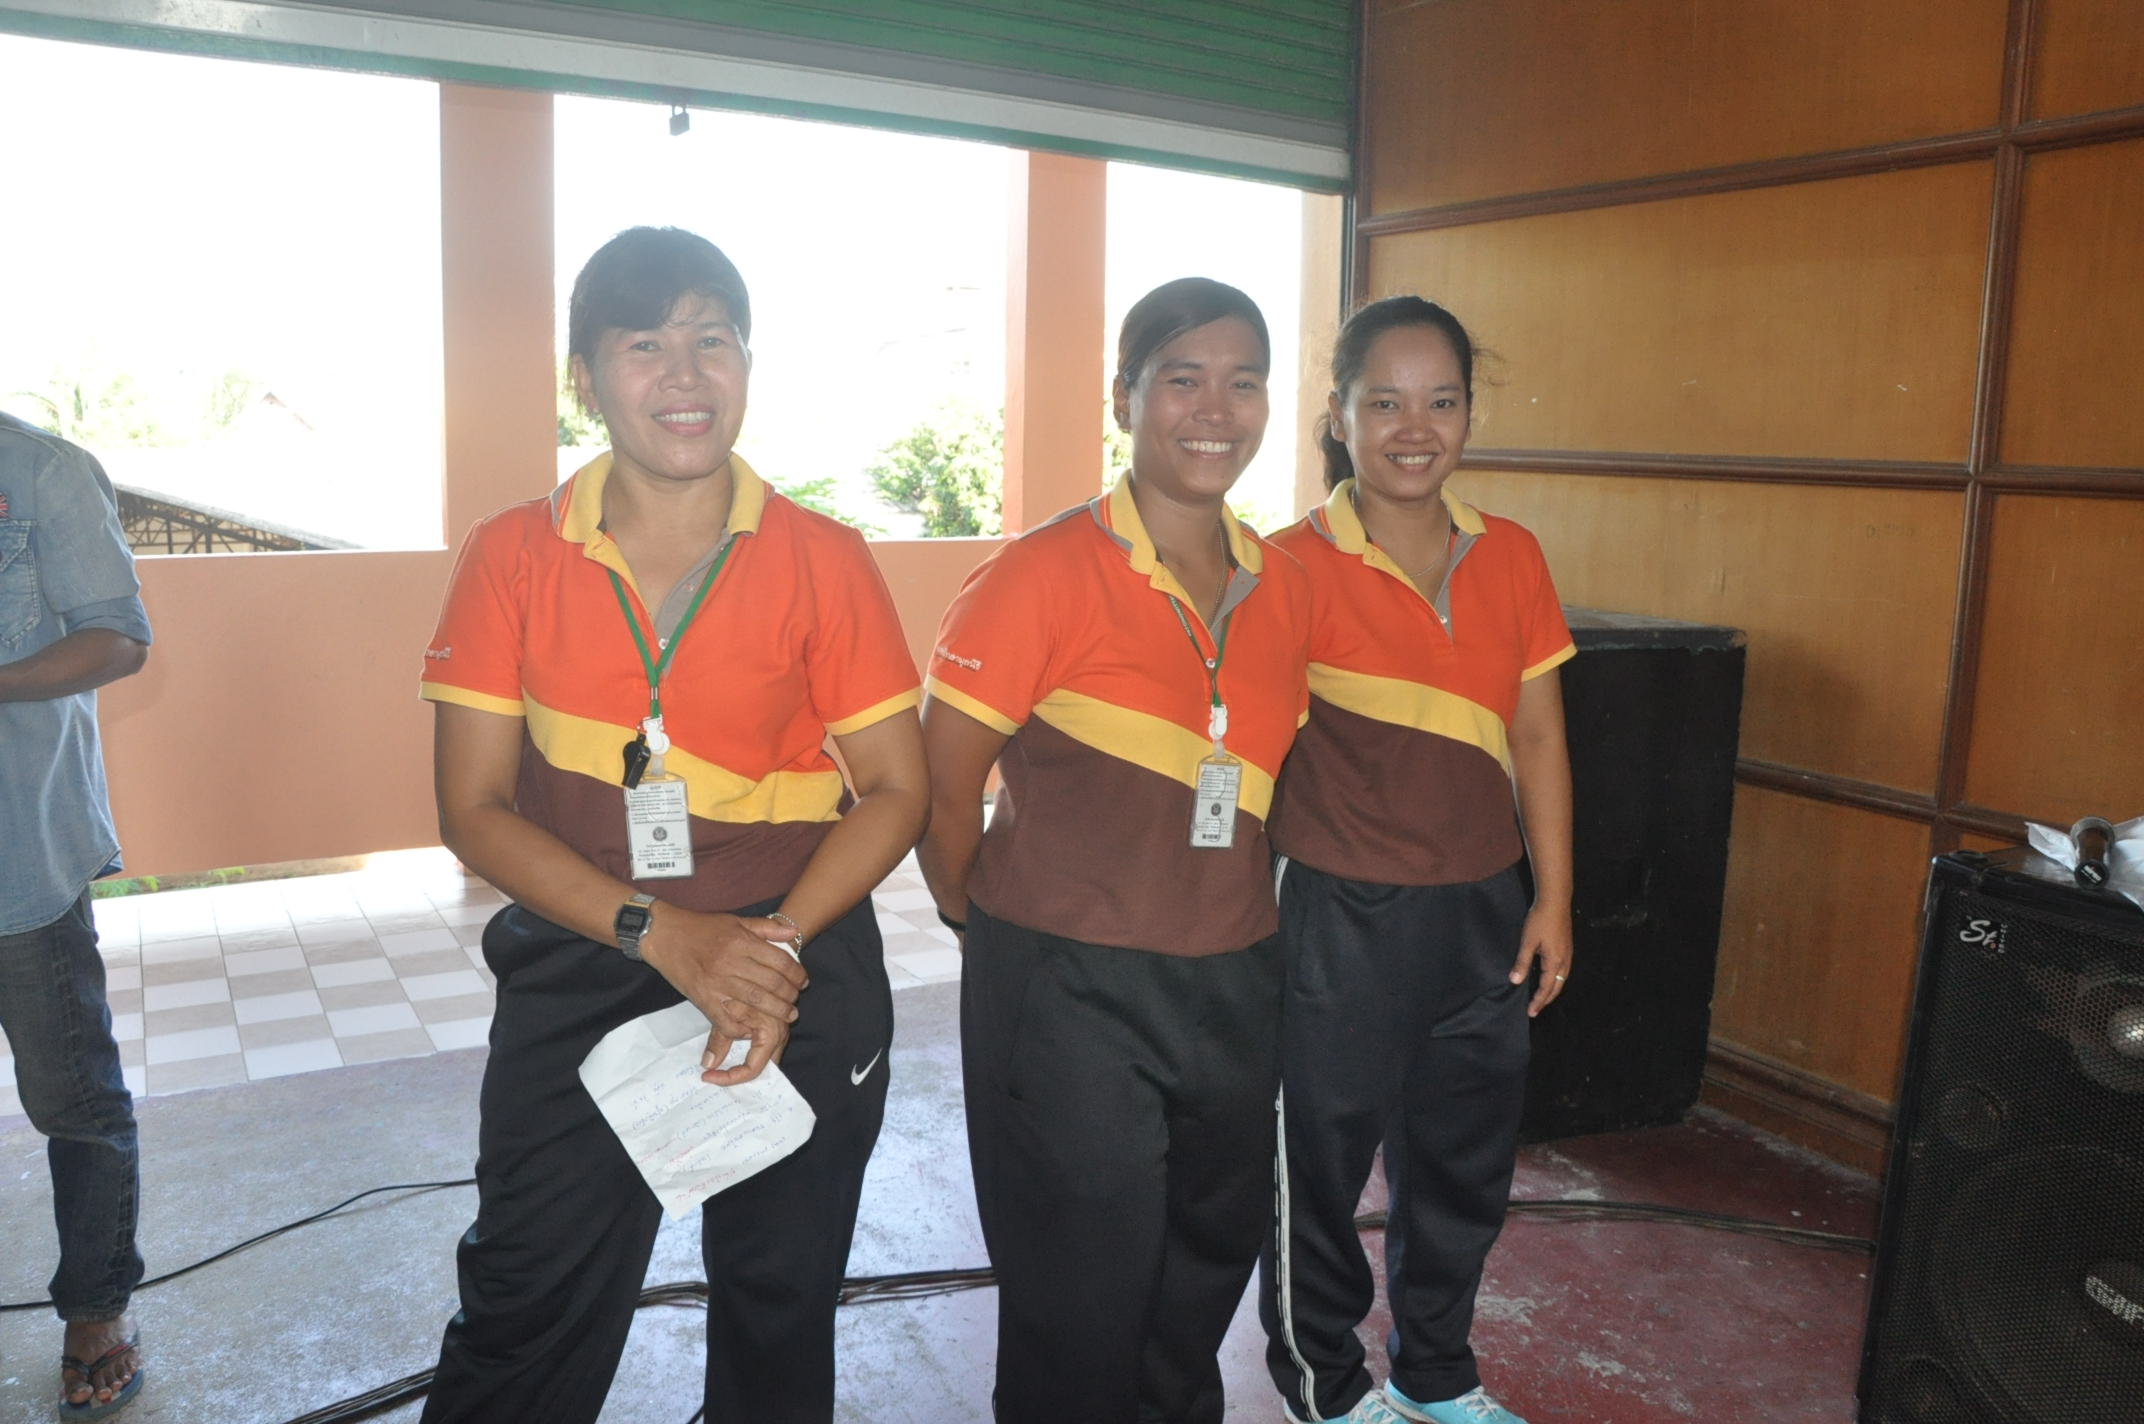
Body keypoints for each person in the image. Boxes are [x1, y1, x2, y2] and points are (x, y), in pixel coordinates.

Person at [414, 226, 929, 1423]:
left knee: (778, 1304)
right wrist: (663, 931)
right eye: (644, 344)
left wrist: (770, 947)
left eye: (712, 339)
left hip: (792, 960)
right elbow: (471, 807)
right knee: (526, 1296)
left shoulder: (823, 558)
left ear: (746, 360)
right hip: (586, 946)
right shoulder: (512, 555)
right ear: (584, 376)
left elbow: (896, 788)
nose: (684, 374)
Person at [919, 277, 1311, 1424]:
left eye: (1242, 381)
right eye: (1181, 378)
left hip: (1234, 977)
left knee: (1203, 1265)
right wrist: (984, 924)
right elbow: (941, 787)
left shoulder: (1283, 585)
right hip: (1067, 984)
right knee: (1076, 1290)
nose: (1214, 408)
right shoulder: (1038, 573)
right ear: (1123, 397)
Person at [1258, 297, 1575, 1424]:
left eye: (1440, 401)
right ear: (1336, 415)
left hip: (1483, 910)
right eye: (1383, 401)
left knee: (1462, 1164)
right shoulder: (1283, 567)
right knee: (1318, 1167)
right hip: (1335, 911)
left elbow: (1537, 737)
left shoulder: (1511, 553)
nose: (1413, 427)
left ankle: (1436, 1376)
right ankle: (1325, 1386)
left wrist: (1553, 898)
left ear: (1469, 415)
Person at [0, 411, 153, 1420]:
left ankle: (95, 1309)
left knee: (74, 1101)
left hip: (20, 855)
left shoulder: (41, 471)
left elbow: (120, 638)